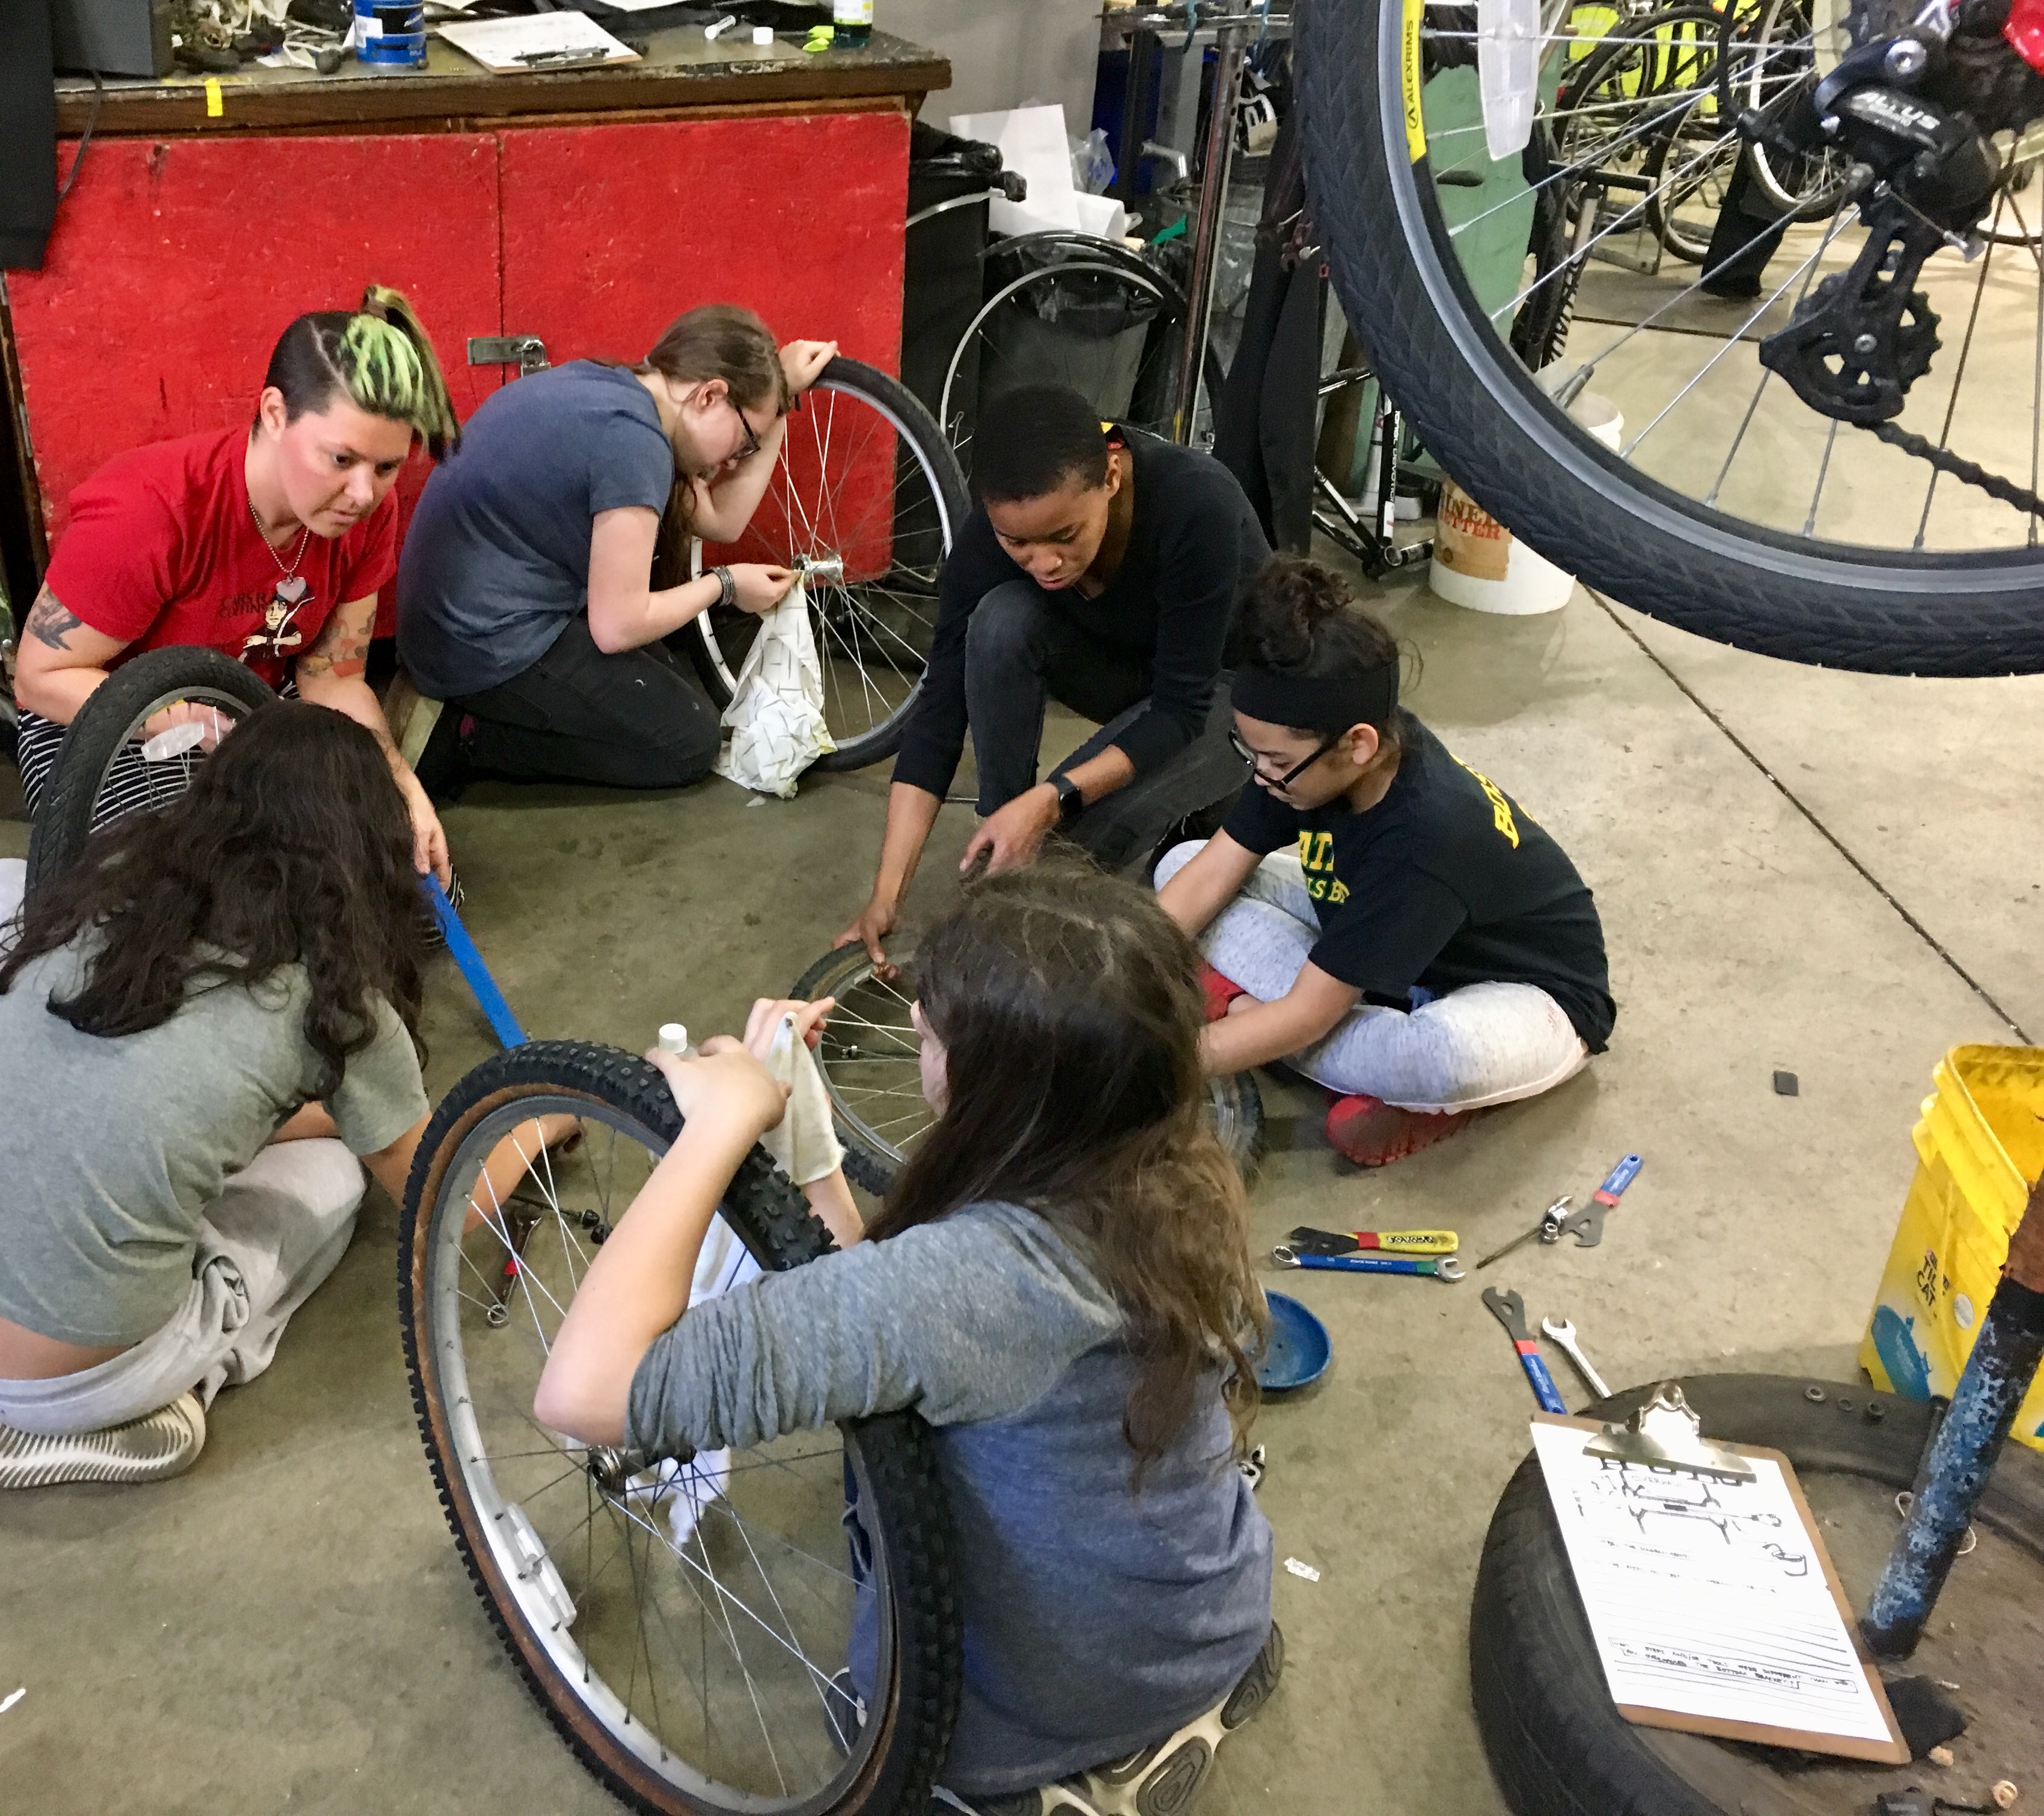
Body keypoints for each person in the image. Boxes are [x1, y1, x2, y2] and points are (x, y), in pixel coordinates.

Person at [533, 861, 1282, 1815]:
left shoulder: (974, 1282)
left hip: (1048, 1709)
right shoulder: (1172, 1161)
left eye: (926, 1039)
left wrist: (713, 1131)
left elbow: (584, 1390)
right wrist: (811, 1158)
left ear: (989, 1091)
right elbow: (897, 1317)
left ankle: (1053, 1780)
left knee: (868, 1721)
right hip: (1215, 1618)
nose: (914, 1046)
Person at [0, 705, 569, 1489]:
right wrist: (548, 1118)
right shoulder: (335, 1005)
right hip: (76, 1380)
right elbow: (449, 1194)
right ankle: (168, 1388)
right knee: (336, 1179)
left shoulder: (111, 896)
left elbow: (194, 1090)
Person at [1156, 556, 1615, 1168]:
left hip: (1521, 994)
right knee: (1179, 864)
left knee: (1433, 1058)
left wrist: (1153, 1062)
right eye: (1251, 752)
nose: (1258, 774)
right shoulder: (1316, 764)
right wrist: (1108, 980)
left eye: (1270, 759)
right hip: (1383, 933)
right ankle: (1278, 1028)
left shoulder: (1425, 834)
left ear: (1356, 745)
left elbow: (1303, 1017)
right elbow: (1213, 868)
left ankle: (1420, 1089)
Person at [11, 284, 460, 884]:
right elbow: (40, 678)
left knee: (409, 889)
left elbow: (333, 673)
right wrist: (192, 723)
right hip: (104, 712)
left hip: (252, 710)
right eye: (341, 460)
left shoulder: (365, 514)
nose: (364, 494)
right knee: (170, 904)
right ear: (274, 413)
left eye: (385, 468)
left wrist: (395, 779)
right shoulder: (149, 511)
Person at [836, 383, 1271, 966]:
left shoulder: (1195, 503)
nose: (1042, 562)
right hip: (1134, 678)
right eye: (1017, 541)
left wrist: (1054, 800)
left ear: (1111, 476)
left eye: (1065, 536)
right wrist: (885, 897)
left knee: (1065, 856)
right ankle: (1003, 831)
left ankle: (1206, 800)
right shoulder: (985, 543)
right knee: (998, 621)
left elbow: (1178, 709)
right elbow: (938, 710)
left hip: (1239, 697)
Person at [395, 305, 837, 791]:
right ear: (710, 394)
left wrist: (777, 407)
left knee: (661, 679)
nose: (735, 459)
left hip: (452, 623)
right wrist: (724, 585)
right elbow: (617, 626)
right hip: (475, 647)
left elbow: (721, 521)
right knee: (687, 743)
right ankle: (463, 735)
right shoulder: (633, 443)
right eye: (743, 441)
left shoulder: (615, 387)